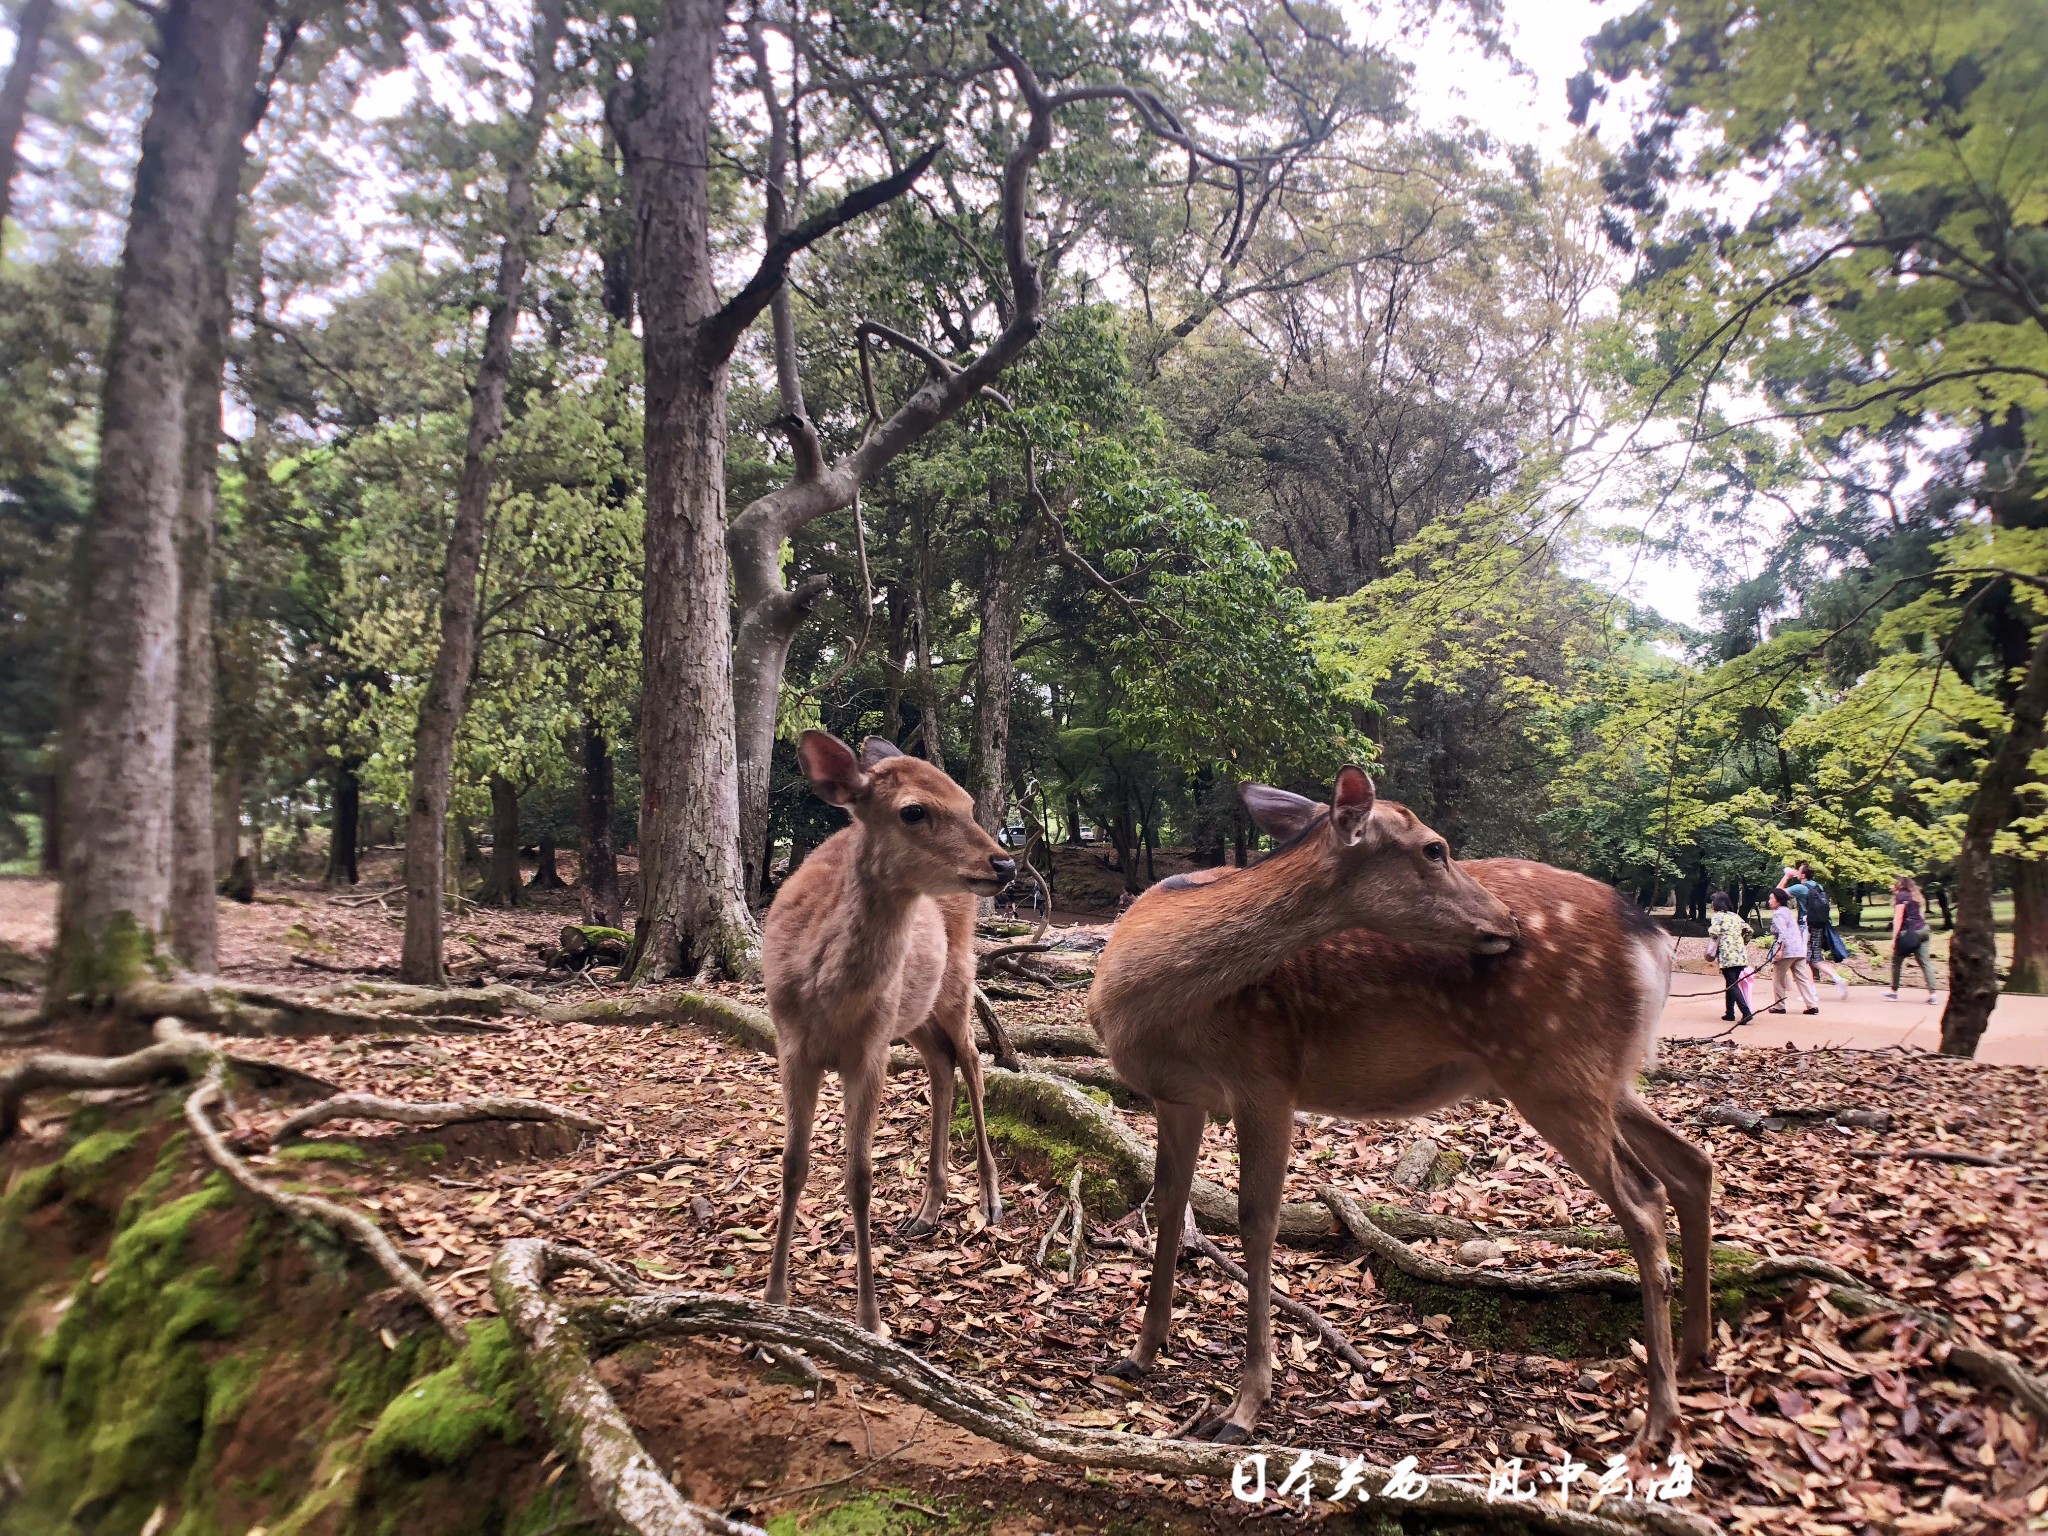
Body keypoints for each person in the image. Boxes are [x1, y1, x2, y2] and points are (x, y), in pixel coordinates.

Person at [1778, 862, 1850, 999]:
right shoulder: (1818, 886)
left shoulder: (1800, 887)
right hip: (1819, 925)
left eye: (1798, 871)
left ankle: (1811, 993)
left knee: (1804, 959)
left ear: (1803, 875)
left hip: (1806, 926)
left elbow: (1778, 893)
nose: (1796, 872)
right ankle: (1838, 979)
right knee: (1815, 958)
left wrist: (1787, 876)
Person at [1763, 887, 1819, 1015]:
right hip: (1798, 949)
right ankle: (1811, 1005)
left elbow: (1782, 933)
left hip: (1787, 951)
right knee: (1802, 978)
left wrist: (1779, 950)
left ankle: (1779, 1006)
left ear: (1778, 901)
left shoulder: (1778, 914)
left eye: (1772, 898)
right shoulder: (1787, 911)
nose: (1769, 901)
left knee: (1778, 978)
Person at [1884, 875, 1938, 1004]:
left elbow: (1898, 918)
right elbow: (1921, 914)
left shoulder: (1901, 896)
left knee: (1896, 961)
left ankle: (1894, 992)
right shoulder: (1915, 894)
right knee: (1925, 963)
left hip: (1910, 933)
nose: (1891, 886)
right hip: (1923, 930)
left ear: (1899, 884)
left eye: (1893, 883)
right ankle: (1933, 995)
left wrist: (1895, 938)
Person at [1706, 892, 1755, 1023]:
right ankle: (1730, 1012)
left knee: (1732, 984)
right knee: (1731, 982)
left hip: (1727, 955)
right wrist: (1743, 942)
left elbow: (1714, 932)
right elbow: (1749, 930)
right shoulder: (1735, 916)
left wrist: (1710, 930)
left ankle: (1746, 1012)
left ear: (1716, 904)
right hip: (1740, 954)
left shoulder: (1717, 917)